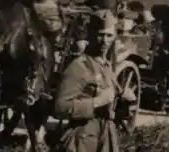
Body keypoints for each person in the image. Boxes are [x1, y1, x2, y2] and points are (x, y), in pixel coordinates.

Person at [53, 9, 135, 152]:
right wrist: (97, 102)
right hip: (83, 142)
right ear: (91, 35)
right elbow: (59, 107)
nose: (105, 41)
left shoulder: (106, 66)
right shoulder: (79, 66)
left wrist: (123, 101)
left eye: (109, 35)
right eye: (100, 35)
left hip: (105, 139)